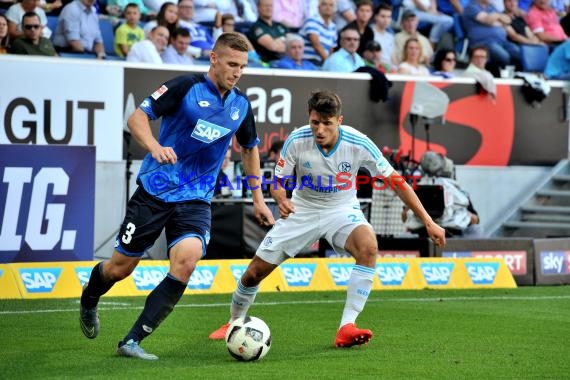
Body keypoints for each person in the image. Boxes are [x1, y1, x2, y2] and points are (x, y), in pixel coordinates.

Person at [79, 32, 275, 360]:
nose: (237, 72)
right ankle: (90, 297)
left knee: (186, 262)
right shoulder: (184, 87)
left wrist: (257, 198)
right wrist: (155, 147)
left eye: (242, 66)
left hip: (196, 198)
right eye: (231, 64)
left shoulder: (241, 105)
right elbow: (137, 118)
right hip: (155, 192)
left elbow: (250, 149)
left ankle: (131, 341)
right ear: (213, 58)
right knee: (120, 268)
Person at [208, 90, 446, 347]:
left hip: (342, 209)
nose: (319, 129)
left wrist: (428, 221)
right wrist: (280, 199)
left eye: (326, 123)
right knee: (254, 273)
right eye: (314, 122)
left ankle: (347, 326)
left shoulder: (359, 142)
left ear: (339, 121)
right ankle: (234, 321)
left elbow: (397, 182)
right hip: (303, 210)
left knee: (368, 247)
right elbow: (276, 183)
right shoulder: (297, 141)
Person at [403, 151, 482, 238]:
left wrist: (464, 215)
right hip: (424, 234)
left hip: (451, 235)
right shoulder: (417, 190)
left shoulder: (458, 193)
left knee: (476, 230)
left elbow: (475, 219)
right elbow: (405, 216)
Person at [462, 0, 521, 75]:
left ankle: (518, 75)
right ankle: (502, 75)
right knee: (504, 56)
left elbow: (507, 20)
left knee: (519, 53)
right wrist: (498, 17)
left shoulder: (491, 7)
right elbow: (488, 20)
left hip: (502, 42)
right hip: (483, 43)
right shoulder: (471, 7)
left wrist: (495, 17)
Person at [299, 0, 338, 66]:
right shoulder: (311, 20)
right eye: (324, 4)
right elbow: (316, 45)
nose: (328, 7)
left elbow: (331, 49)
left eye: (331, 5)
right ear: (318, 7)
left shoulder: (333, 27)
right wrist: (329, 64)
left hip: (323, 63)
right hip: (307, 62)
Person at [372, 3, 396, 68]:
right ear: (376, 17)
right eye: (383, 16)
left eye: (388, 17)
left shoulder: (390, 37)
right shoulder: (370, 34)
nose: (386, 20)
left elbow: (393, 57)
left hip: (391, 69)